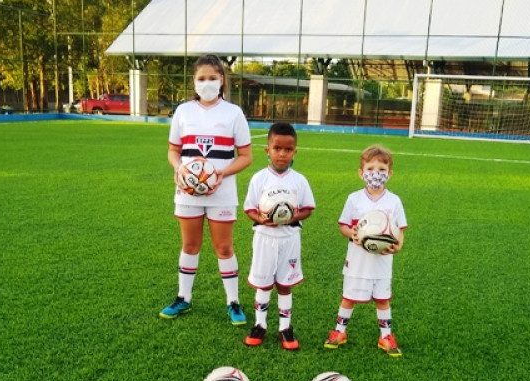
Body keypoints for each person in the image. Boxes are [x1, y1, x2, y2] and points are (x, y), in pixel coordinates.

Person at [159, 54, 253, 325]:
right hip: (188, 192)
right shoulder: (183, 111)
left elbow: (246, 156)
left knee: (224, 247)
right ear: (194, 81)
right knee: (190, 245)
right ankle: (183, 298)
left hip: (221, 193)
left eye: (213, 77)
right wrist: (180, 169)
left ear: (222, 80)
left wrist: (220, 174)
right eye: (202, 78)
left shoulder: (233, 113)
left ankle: (233, 302)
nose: (207, 83)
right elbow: (173, 151)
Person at [324, 145, 407, 357]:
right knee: (348, 297)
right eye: (370, 169)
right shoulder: (354, 199)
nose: (376, 174)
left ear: (390, 173)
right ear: (361, 173)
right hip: (357, 260)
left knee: (382, 299)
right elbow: (343, 226)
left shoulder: (394, 201)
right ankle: (340, 331)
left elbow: (400, 230)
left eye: (382, 169)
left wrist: (398, 245)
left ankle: (385, 336)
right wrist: (351, 233)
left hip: (382, 261)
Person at [242, 122, 315, 350]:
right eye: (277, 148)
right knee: (263, 284)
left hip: (289, 239)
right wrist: (262, 218)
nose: (282, 154)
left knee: (285, 285)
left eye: (288, 149)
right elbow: (249, 209)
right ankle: (260, 324)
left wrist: (291, 217)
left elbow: (308, 209)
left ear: (295, 152)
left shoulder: (299, 180)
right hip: (264, 238)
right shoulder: (259, 179)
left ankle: (285, 328)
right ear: (268, 150)